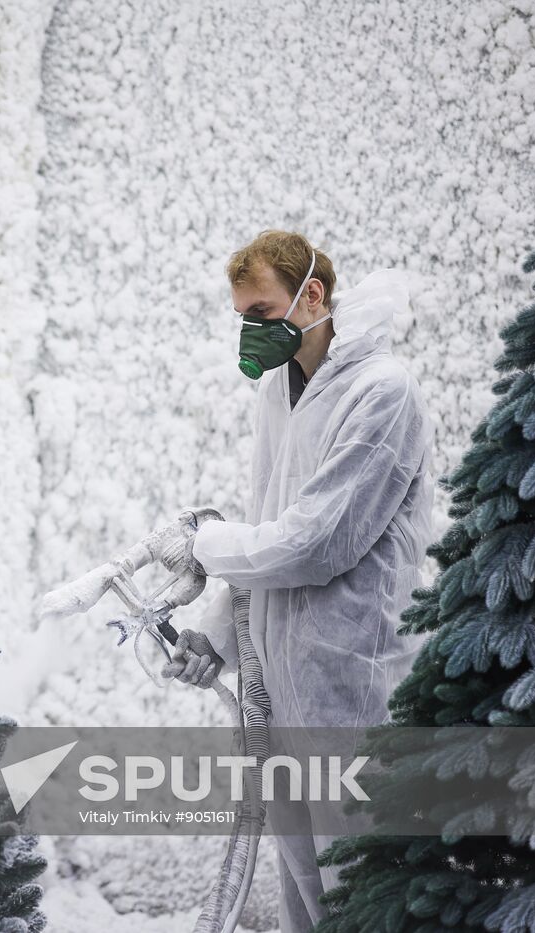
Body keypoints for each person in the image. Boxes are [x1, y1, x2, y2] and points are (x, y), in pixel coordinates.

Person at [155, 230, 436, 931]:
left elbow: (317, 541)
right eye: (242, 315)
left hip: (353, 678)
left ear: (312, 293)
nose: (252, 331)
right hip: (282, 678)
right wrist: (219, 633)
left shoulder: (384, 392)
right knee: (302, 883)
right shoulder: (280, 390)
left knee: (361, 880)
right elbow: (269, 526)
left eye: (262, 310)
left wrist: (202, 543)